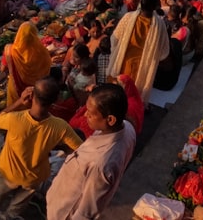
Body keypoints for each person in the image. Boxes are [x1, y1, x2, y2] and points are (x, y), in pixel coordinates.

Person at [0, 77, 82, 220]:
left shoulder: (15, 119)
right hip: (34, 178)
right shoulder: (61, 127)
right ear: (56, 101)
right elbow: (81, 149)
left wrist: (20, 101)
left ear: (31, 95)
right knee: (15, 208)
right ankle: (8, 217)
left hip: (6, 173)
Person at [45, 83, 137, 220]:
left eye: (90, 113)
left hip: (65, 212)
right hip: (62, 195)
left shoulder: (101, 163)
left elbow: (87, 211)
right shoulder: (127, 127)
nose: (86, 114)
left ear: (110, 119)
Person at [109, 0, 170, 103]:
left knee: (117, 95)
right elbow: (163, 53)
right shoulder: (160, 26)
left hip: (123, 64)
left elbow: (114, 38)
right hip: (142, 69)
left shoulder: (128, 17)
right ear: (155, 6)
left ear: (141, 3)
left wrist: (116, 53)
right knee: (133, 96)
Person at [2, 22, 52, 105]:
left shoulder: (10, 50)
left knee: (15, 110)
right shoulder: (42, 51)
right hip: (36, 89)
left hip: (15, 88)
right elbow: (47, 68)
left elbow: (2, 69)